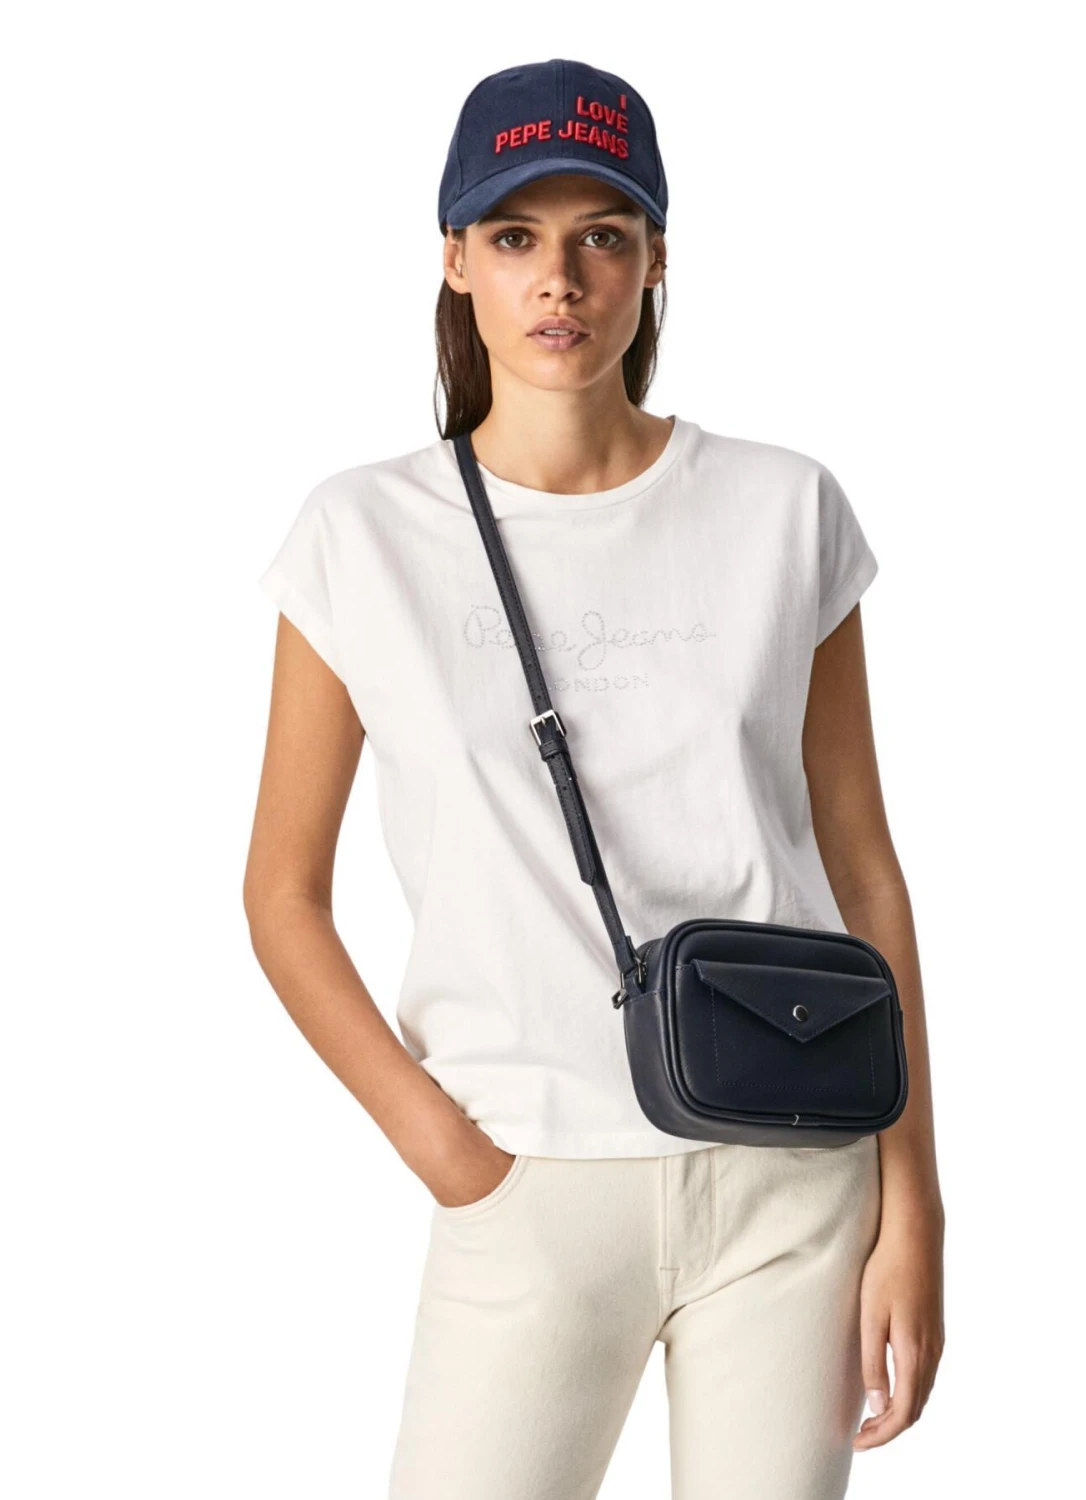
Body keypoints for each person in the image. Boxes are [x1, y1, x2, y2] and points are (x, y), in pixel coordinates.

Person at [244, 56, 945, 1500]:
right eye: (515, 236)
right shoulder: (361, 536)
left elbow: (862, 866)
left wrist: (914, 1201)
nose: (557, 278)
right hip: (526, 1175)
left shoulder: (783, 510)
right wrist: (448, 1150)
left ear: (656, 261)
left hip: (793, 1175)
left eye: (600, 236)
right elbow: (281, 894)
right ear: (456, 261)